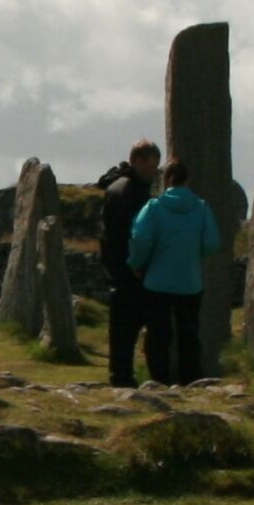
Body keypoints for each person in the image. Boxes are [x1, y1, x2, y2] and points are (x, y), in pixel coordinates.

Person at [126, 155, 225, 385]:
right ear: (186, 180)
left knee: (158, 334)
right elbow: (212, 242)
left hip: (157, 281)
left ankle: (158, 379)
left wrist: (137, 264)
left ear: (166, 179)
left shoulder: (154, 207)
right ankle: (190, 379)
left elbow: (140, 238)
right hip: (190, 281)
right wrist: (192, 255)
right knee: (188, 334)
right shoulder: (201, 208)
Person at [91, 141, 161, 386]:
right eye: (149, 164)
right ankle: (123, 376)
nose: (153, 169)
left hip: (120, 266)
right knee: (128, 324)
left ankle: (122, 373)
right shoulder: (130, 192)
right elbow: (127, 234)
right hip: (129, 268)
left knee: (124, 325)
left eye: (156, 165)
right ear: (136, 161)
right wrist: (137, 264)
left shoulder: (121, 188)